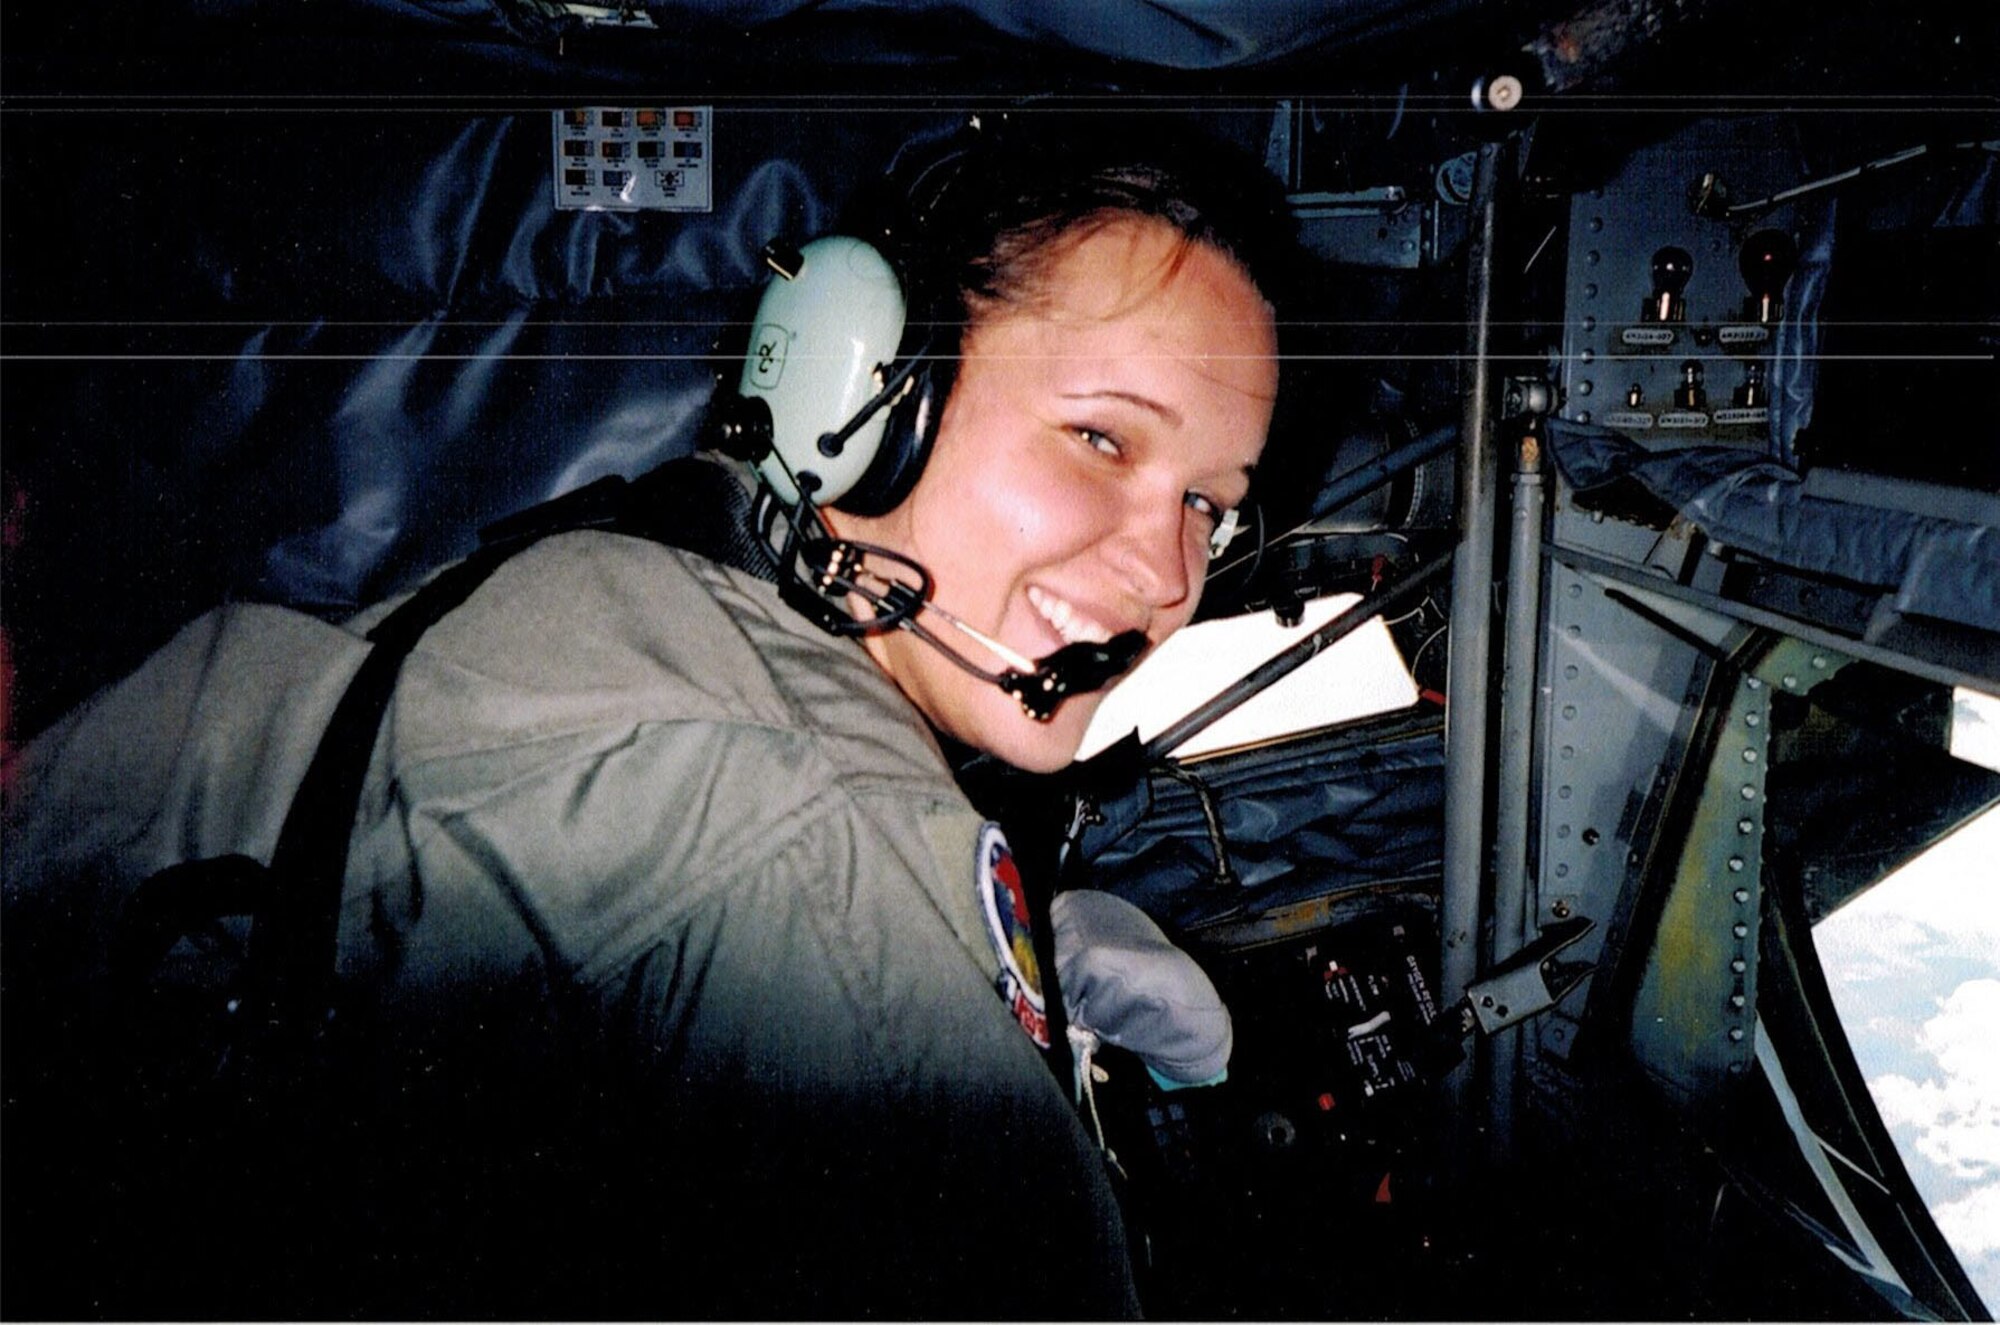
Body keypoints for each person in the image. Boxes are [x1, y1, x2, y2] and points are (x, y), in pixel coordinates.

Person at [1, 120, 1286, 1319]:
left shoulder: (604, 576)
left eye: (1210, 506)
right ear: (866, 383)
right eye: (1102, 441)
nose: (1168, 575)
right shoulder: (796, 805)